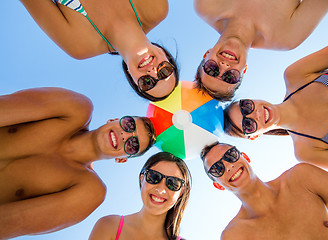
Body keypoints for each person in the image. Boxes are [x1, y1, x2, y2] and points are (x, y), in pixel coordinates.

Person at [0, 87, 156, 239]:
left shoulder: (88, 191)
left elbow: (15, 222)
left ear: (121, 159)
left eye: (132, 145)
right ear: (114, 120)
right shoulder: (74, 108)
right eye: (129, 125)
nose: (124, 135)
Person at [223, 31, 328, 173]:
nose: (255, 114)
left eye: (246, 107)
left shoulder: (296, 74)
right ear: (255, 136)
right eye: (248, 124)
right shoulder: (307, 151)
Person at [19, 0, 179, 101]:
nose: (152, 71)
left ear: (132, 77)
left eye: (147, 83)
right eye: (164, 72)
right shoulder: (156, 7)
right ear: (166, 55)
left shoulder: (79, 46)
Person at [200, 142, 328, 239]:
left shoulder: (302, 178)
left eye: (230, 155)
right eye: (217, 169)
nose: (228, 166)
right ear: (218, 185)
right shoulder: (236, 235)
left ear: (245, 157)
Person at [193, 0, 328, 101]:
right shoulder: (287, 37)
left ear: (206, 54)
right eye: (230, 77)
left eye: (212, 69)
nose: (224, 66)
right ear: (244, 70)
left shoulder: (207, 6)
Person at [88, 152, 191, 240]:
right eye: (154, 177)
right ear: (142, 179)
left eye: (172, 183)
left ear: (181, 192)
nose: (160, 190)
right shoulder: (108, 225)